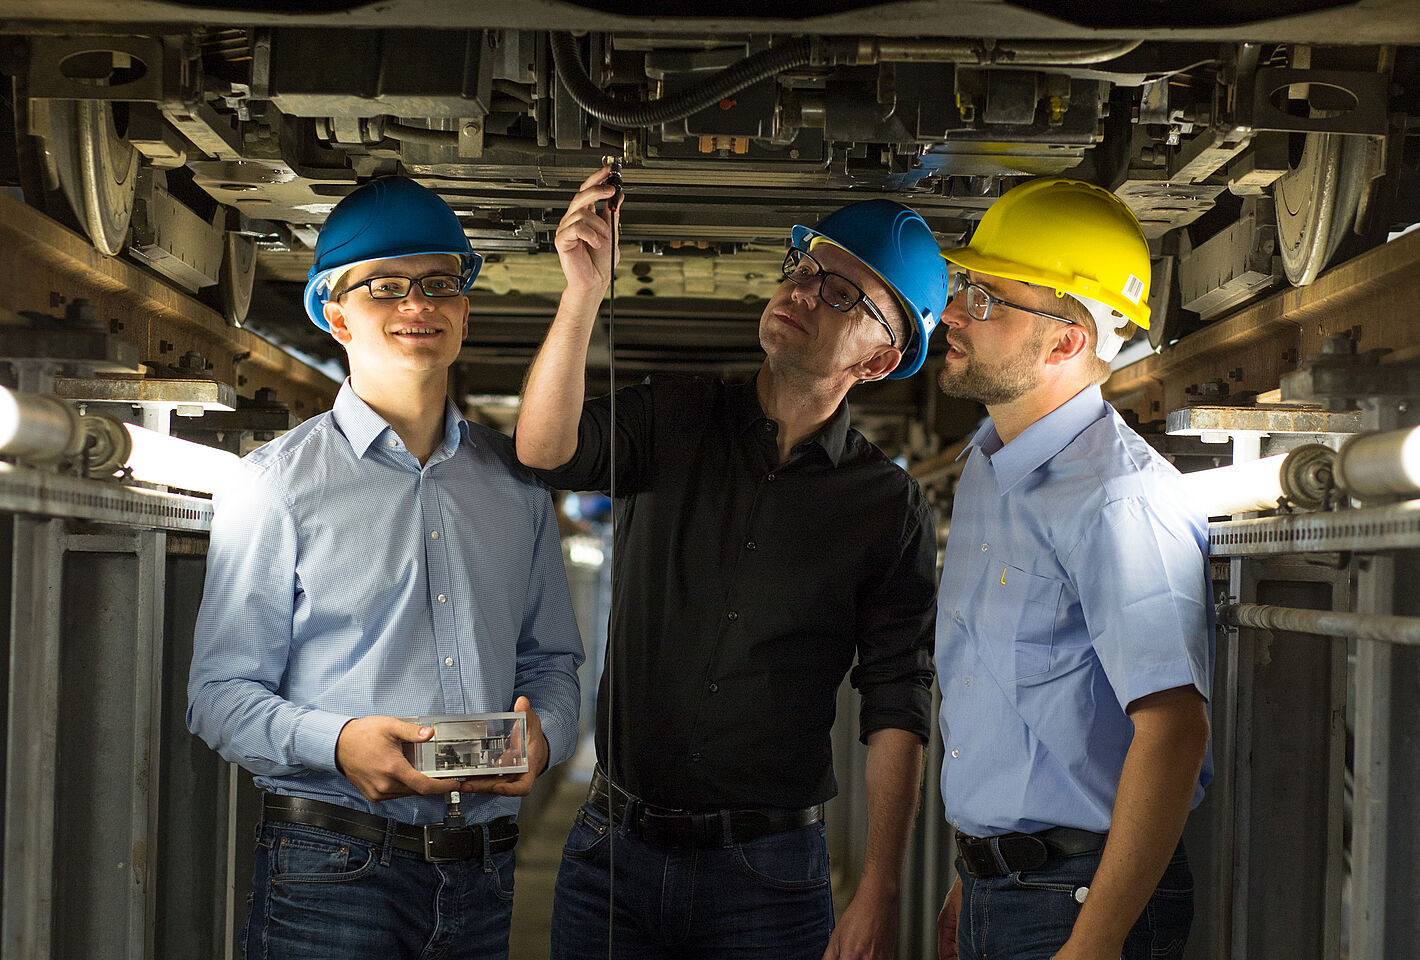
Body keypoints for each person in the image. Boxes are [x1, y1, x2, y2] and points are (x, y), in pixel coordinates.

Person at [516, 167, 948, 960]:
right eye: (806, 269)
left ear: (882, 360)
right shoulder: (676, 414)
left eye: (843, 295)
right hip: (613, 849)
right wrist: (581, 294)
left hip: (767, 877)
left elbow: (898, 702)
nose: (806, 292)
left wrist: (880, 884)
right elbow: (546, 450)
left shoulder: (887, 508)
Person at [187, 177, 584, 960]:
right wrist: (339, 744)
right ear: (336, 315)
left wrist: (545, 740)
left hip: (483, 872)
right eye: (385, 287)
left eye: (440, 284)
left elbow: (553, 661)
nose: (418, 305)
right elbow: (218, 695)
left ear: (465, 313)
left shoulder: (518, 485)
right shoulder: (276, 485)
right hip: (333, 868)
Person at [932, 177, 1214, 960]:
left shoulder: (1122, 501)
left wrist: (1091, 945)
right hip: (1007, 889)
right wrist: (977, 870)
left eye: (986, 298)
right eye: (964, 288)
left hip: (1080, 903)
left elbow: (1173, 733)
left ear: (1065, 342)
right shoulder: (988, 468)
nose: (953, 313)